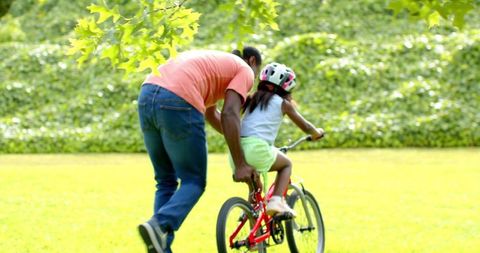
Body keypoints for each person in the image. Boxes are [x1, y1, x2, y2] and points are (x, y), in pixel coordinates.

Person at [137, 47, 263, 253]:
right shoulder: (245, 70)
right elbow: (230, 113)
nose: (250, 85)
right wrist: (240, 164)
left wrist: (243, 143)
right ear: (252, 61)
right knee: (194, 181)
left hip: (147, 93)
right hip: (179, 98)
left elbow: (213, 115)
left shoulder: (212, 64)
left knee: (165, 180)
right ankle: (158, 224)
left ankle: (160, 246)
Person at [231, 62, 324, 216]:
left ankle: (254, 234)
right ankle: (276, 200)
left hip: (236, 152)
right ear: (286, 89)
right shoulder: (283, 104)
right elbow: (306, 126)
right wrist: (316, 133)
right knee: (286, 164)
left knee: (255, 192)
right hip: (258, 149)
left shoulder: (251, 99)